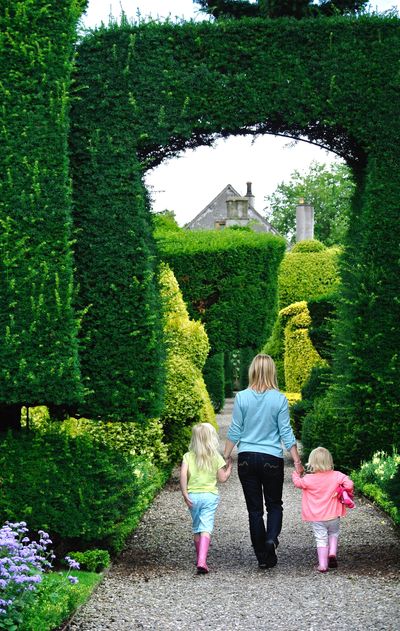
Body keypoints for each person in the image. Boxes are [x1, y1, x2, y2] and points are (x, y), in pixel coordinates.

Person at [224, 353, 303, 569]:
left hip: (247, 459)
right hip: (271, 459)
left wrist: (225, 455)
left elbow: (235, 429)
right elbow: (286, 433)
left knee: (254, 511)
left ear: (252, 371)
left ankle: (262, 556)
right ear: (272, 372)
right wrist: (297, 461)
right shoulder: (279, 399)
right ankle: (271, 539)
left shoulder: (242, 397)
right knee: (275, 504)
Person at [180, 422, 232, 574]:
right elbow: (222, 479)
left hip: (193, 496)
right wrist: (228, 469)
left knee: (197, 528)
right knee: (206, 527)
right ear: (211, 439)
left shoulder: (188, 456)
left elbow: (183, 475)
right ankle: (202, 561)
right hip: (210, 496)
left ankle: (200, 558)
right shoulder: (215, 456)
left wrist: (185, 493)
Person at [292, 446, 354, 572]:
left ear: (312, 462)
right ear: (329, 461)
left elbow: (298, 483)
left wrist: (296, 473)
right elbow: (350, 484)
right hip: (334, 515)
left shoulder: (308, 479)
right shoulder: (337, 475)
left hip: (317, 517)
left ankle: (323, 565)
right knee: (333, 533)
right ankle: (332, 553)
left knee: (321, 538)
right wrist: (341, 489)